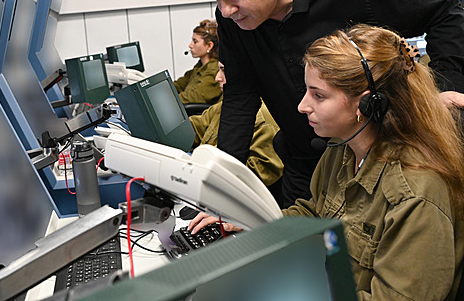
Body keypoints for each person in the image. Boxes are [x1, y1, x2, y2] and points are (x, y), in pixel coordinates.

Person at [196, 0, 464, 207]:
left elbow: (446, 12)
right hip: (305, 167)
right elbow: (240, 98)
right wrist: (221, 195)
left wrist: (442, 92)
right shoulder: (233, 18)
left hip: (380, 160)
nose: (225, 9)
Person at [189, 25, 464, 300]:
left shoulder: (415, 194)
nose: (302, 106)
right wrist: (250, 220)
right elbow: (315, 215)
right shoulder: (343, 148)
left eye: (318, 95)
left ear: (367, 105)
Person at [189, 61, 283, 202]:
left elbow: (253, 180)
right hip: (207, 184)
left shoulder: (266, 120)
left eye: (224, 70)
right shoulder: (228, 106)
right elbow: (197, 126)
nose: (217, 78)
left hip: (237, 200)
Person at [173, 19, 222, 105]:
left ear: (209, 45)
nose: (190, 45)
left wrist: (168, 101)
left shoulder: (214, 69)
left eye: (195, 41)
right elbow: (179, 85)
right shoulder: (200, 66)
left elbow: (195, 96)